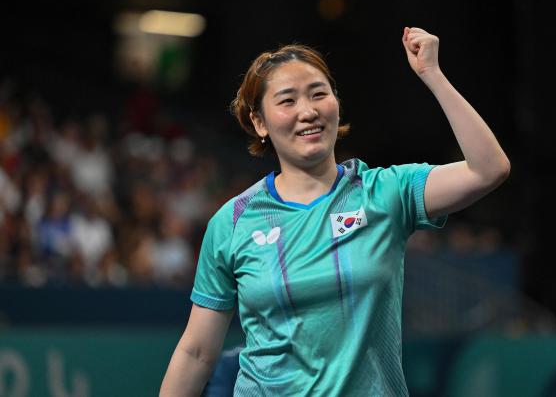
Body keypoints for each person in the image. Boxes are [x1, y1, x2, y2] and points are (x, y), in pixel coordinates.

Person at [159, 26, 510, 396]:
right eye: (287, 100)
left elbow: (488, 169)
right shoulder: (232, 222)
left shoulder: (385, 193)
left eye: (318, 94)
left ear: (336, 103)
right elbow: (196, 352)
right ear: (259, 122)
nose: (308, 111)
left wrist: (433, 75)